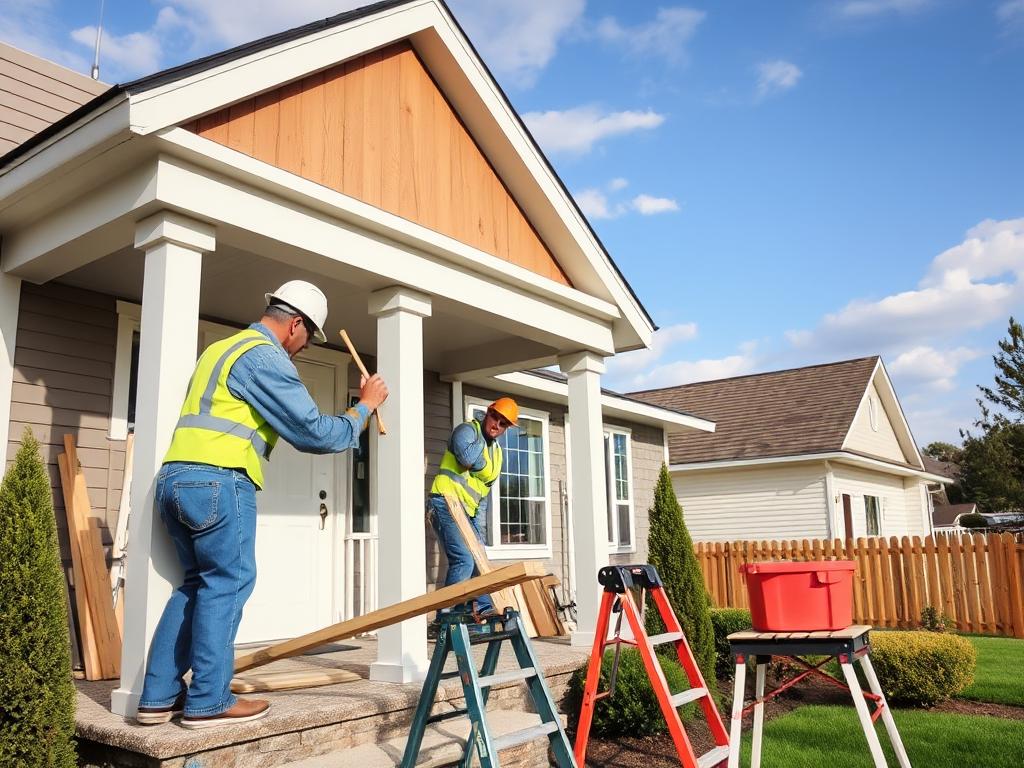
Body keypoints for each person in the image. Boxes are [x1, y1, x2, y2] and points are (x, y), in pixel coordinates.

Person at [135, 280, 388, 729]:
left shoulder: (222, 349)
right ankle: (209, 700)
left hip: (176, 479)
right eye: (307, 337)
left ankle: (158, 696)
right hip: (220, 479)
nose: (303, 348)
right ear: (295, 324)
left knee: (197, 583)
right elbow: (316, 433)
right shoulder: (266, 357)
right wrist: (364, 407)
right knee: (229, 582)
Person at [427, 397, 518, 618]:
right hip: (444, 500)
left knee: (479, 558)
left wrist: (480, 536)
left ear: (507, 429)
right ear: (488, 413)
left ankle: (485, 610)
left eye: (504, 423)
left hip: (467, 511)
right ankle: (446, 618)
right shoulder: (467, 430)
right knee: (464, 559)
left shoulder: (496, 453)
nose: (497, 425)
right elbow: (467, 459)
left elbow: (483, 493)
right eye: (495, 417)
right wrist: (480, 453)